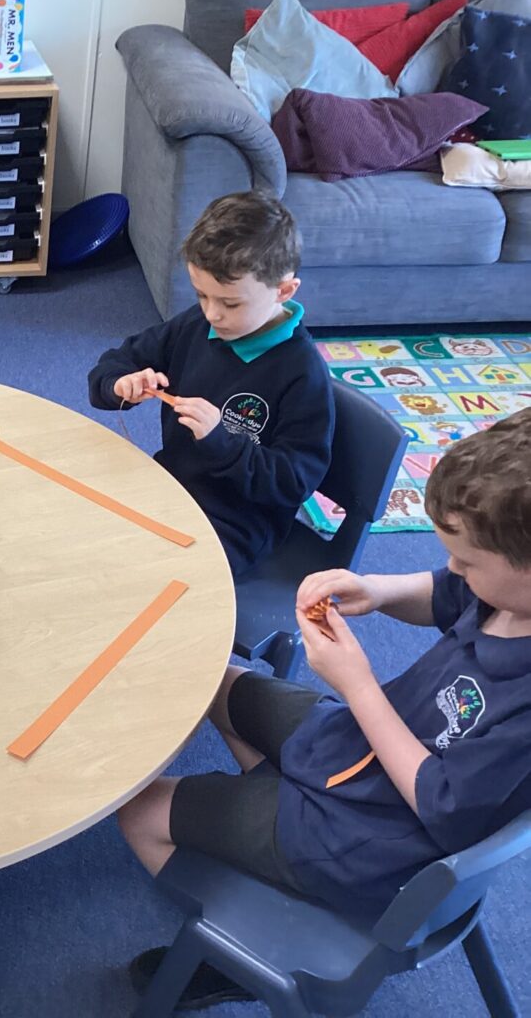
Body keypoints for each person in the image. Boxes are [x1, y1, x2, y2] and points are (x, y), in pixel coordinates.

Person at [117, 410, 531, 1008]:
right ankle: (272, 806)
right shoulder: (509, 593)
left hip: (367, 840)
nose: (454, 569)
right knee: (214, 679)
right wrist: (380, 591)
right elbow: (447, 592)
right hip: (356, 752)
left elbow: (443, 807)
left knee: (138, 811)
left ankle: (240, 957)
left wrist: (357, 684)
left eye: (468, 561)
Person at [87, 191, 333, 576]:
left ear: (284, 291)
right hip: (172, 486)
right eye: (202, 295)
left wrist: (222, 441)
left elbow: (292, 482)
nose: (212, 313)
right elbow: (116, 363)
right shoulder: (197, 324)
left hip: (237, 524)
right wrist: (120, 384)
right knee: (88, 524)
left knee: (146, 572)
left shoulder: (302, 372)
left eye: (230, 303)